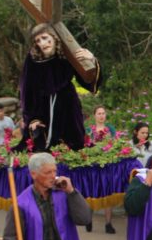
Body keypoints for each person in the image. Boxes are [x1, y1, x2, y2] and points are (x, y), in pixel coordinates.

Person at [18, 23, 101, 151]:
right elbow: (27, 90)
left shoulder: (67, 54)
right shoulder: (33, 59)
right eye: (38, 40)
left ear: (54, 37)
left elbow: (88, 81)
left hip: (68, 105)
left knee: (74, 146)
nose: (43, 43)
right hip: (43, 109)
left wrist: (91, 60)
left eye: (45, 38)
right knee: (41, 148)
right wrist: (32, 118)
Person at [86, 105, 117, 234]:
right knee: (92, 192)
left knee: (107, 193)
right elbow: (85, 145)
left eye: (103, 113)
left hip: (107, 165)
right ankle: (88, 220)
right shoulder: (89, 130)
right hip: (93, 165)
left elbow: (115, 144)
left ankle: (108, 223)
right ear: (94, 115)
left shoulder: (110, 129)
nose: (101, 115)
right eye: (99, 113)